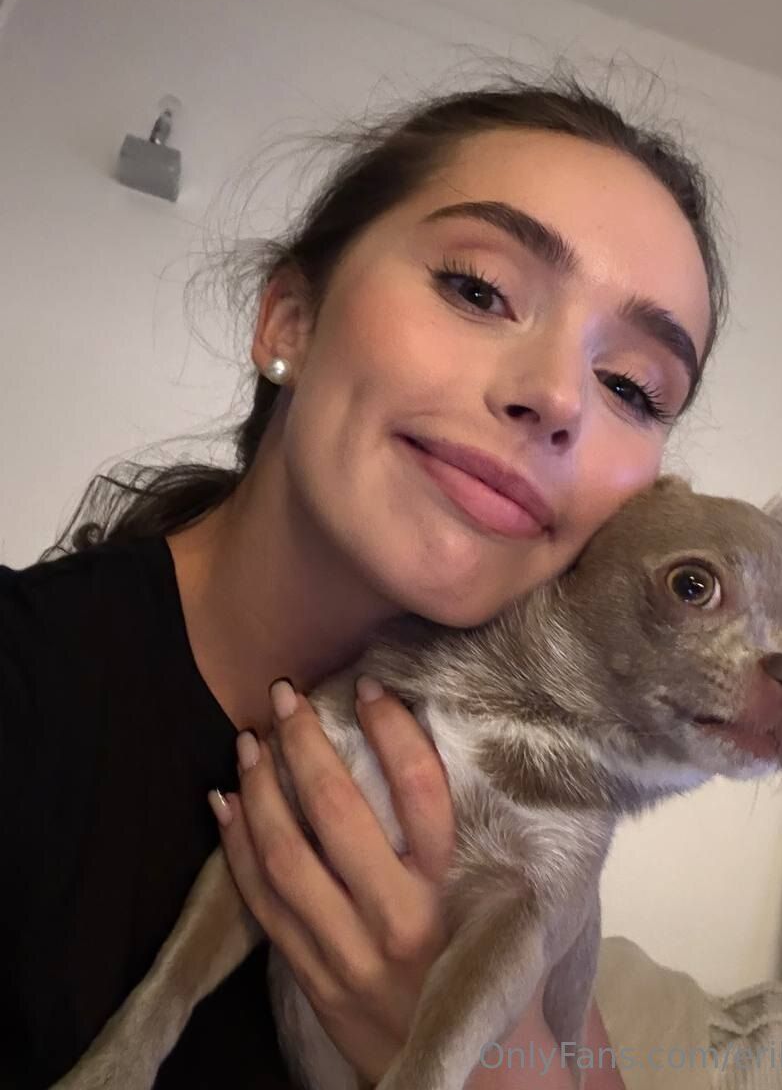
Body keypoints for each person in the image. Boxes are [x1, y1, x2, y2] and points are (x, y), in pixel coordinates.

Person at [0, 65, 728, 1088]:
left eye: (632, 387)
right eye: (478, 289)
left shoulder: (539, 835)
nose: (559, 398)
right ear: (290, 321)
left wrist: (505, 1064)